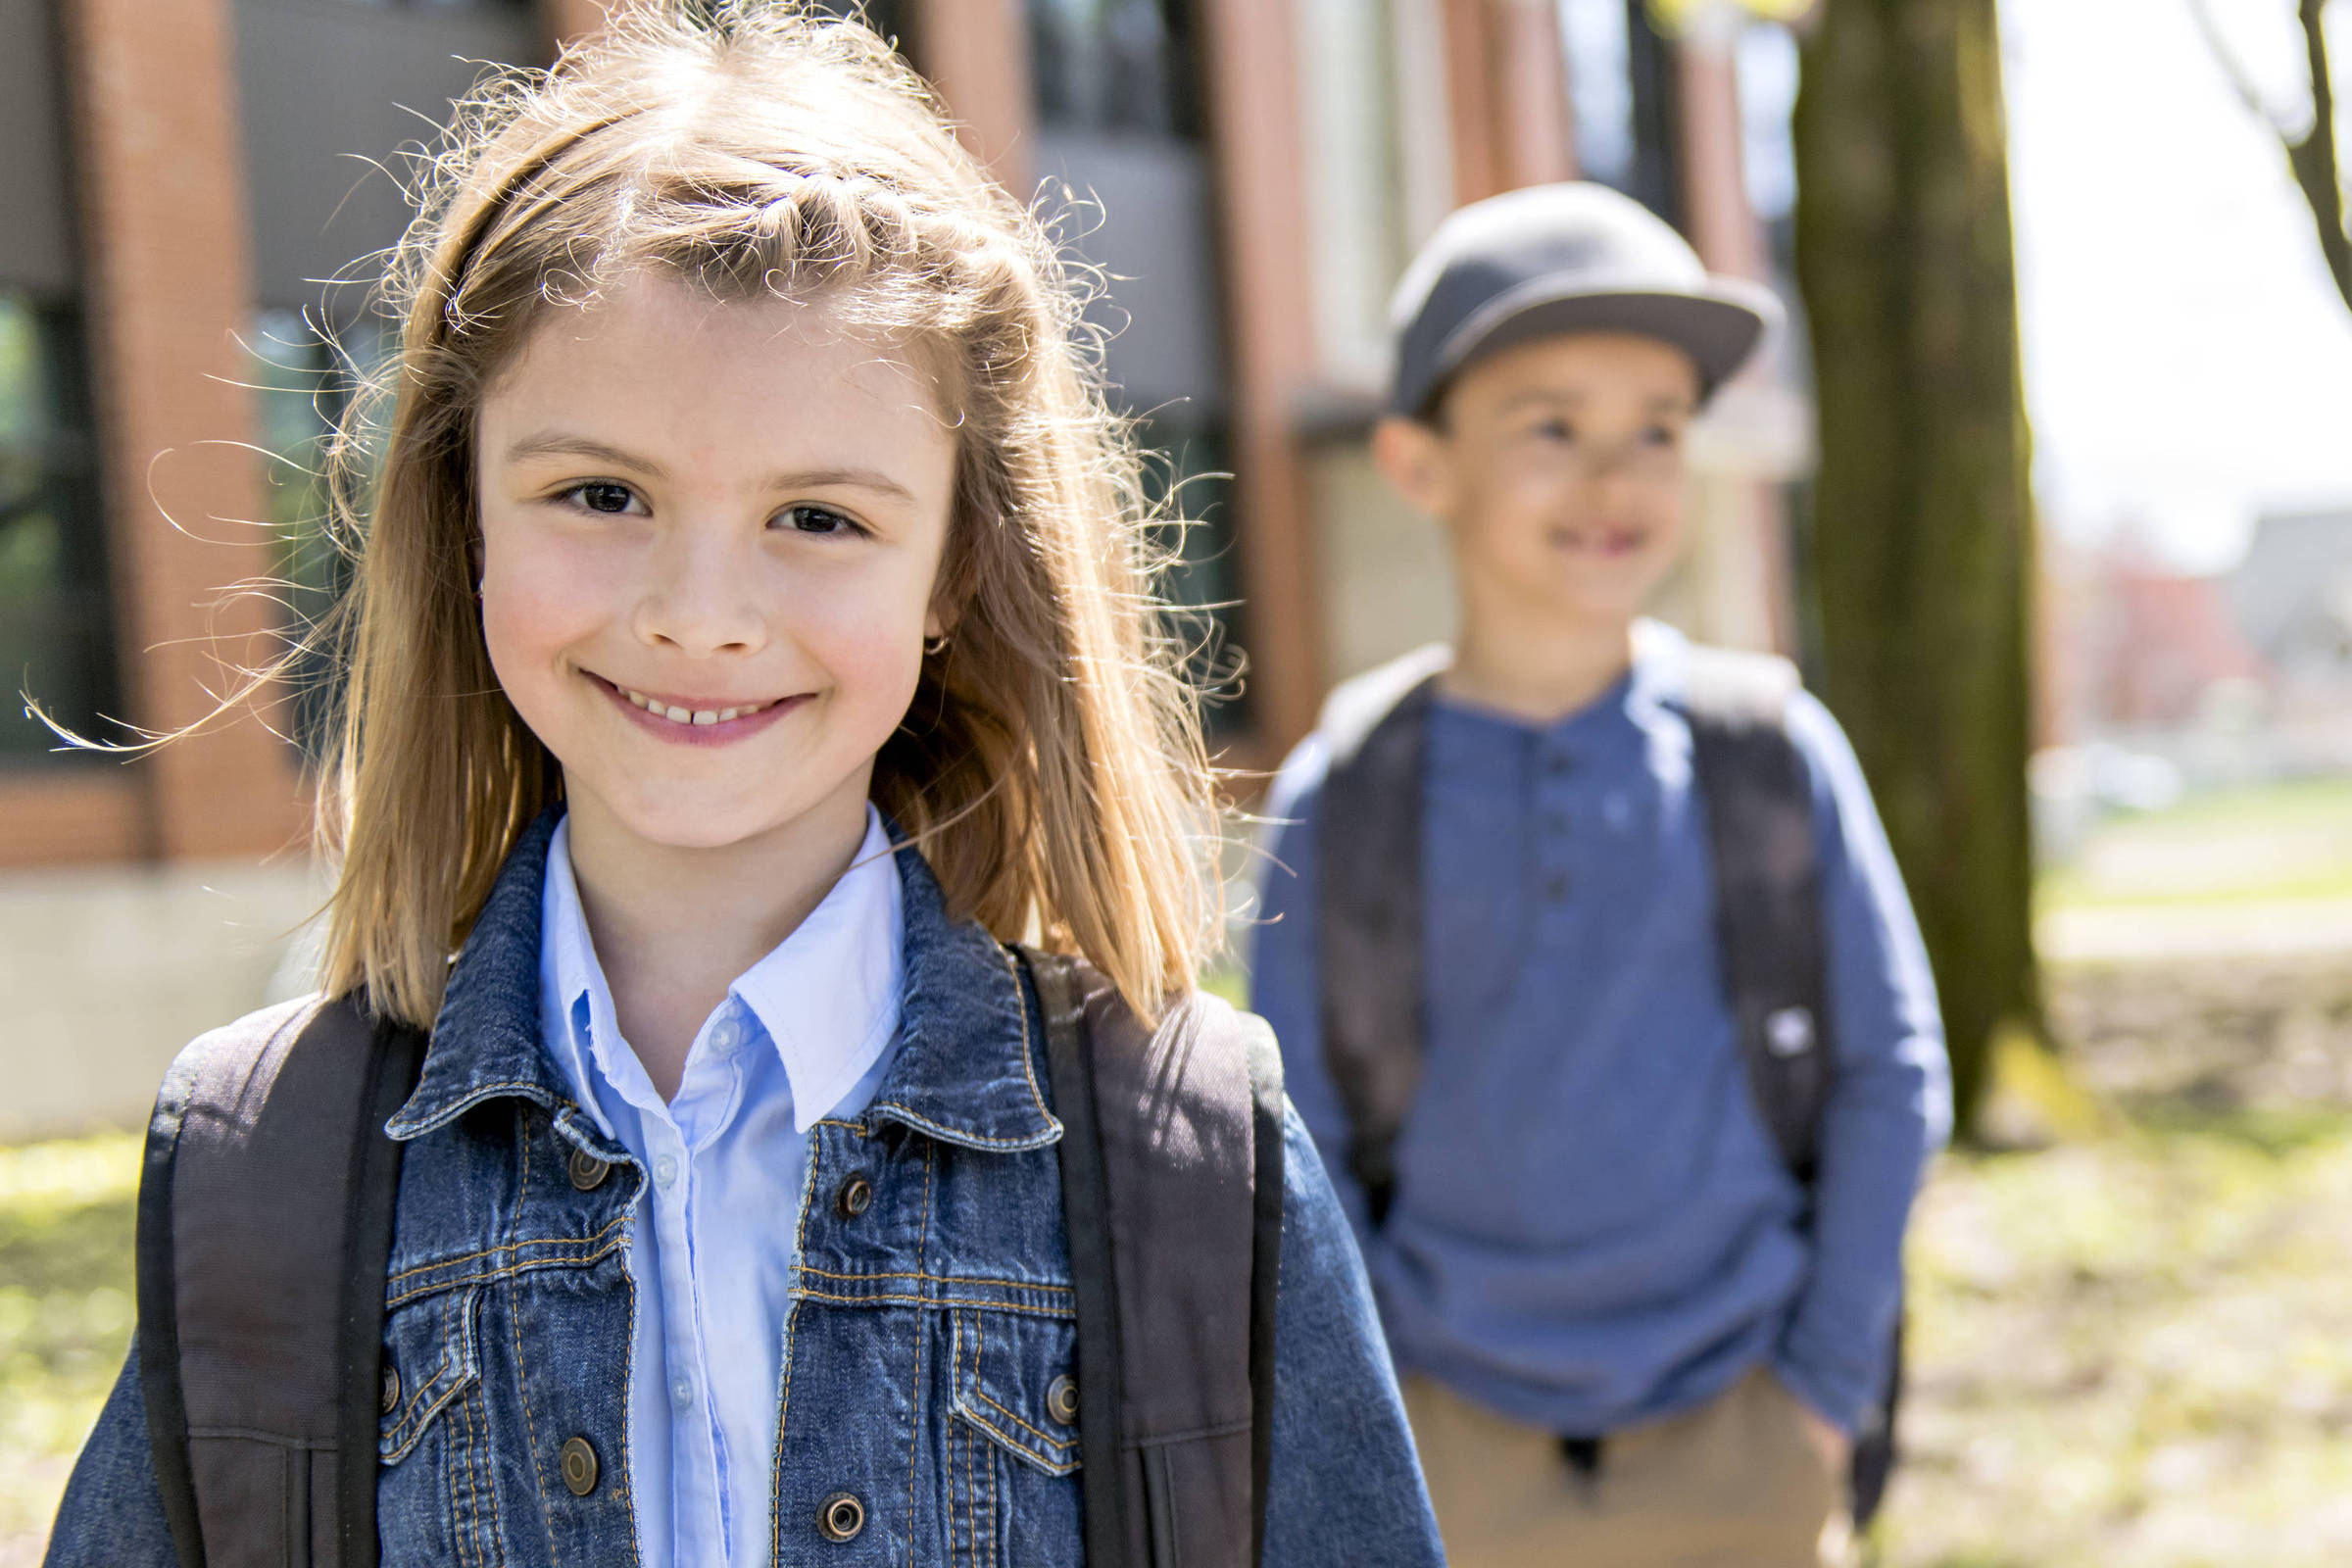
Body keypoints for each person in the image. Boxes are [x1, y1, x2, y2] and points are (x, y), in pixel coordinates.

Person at [43, 7, 1443, 1566]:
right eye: (601, 493)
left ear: (954, 571)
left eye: (819, 518)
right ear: (465, 517)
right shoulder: (263, 1165)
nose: (699, 612)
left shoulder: (1188, 1155)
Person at [1249, 181, 1953, 1568]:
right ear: (1417, 461)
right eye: (1551, 428)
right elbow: (1294, 1151)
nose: (1614, 478)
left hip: (1746, 1435)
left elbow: (1890, 1075)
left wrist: (1819, 1398)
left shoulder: (1770, 754)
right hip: (1448, 1456)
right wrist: (1380, 1409)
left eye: (1657, 431)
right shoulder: (1345, 792)